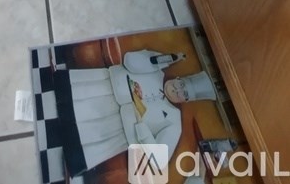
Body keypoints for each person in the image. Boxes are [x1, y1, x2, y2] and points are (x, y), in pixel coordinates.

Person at [53, 48, 217, 178]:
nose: (177, 89)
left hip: (113, 132)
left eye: (184, 94)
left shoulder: (174, 121)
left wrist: (142, 127)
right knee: (54, 100)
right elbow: (130, 60)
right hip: (99, 88)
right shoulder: (156, 70)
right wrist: (163, 60)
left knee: (60, 139)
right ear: (179, 78)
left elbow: (159, 159)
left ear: (186, 101)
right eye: (181, 85)